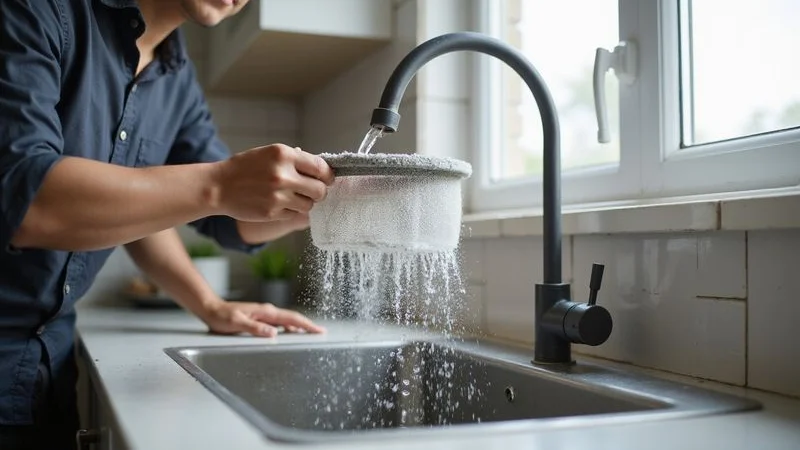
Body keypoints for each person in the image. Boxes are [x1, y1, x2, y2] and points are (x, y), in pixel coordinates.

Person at [0, 0, 333, 448]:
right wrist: (221, 183)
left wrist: (320, 202)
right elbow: (27, 198)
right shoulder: (37, 11)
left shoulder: (177, 78)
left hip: (46, 373)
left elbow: (220, 219)